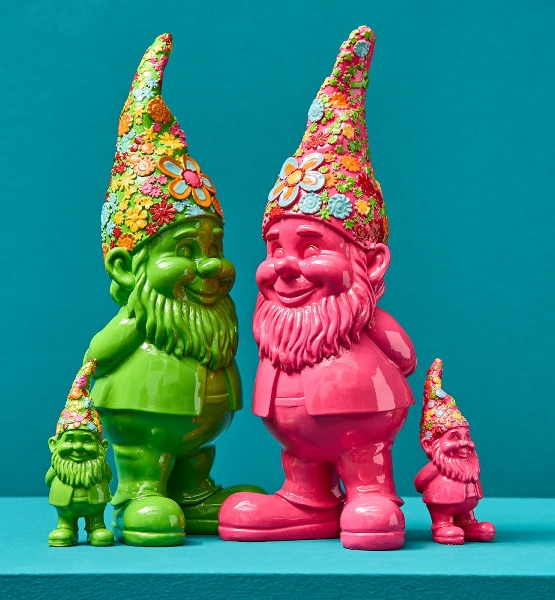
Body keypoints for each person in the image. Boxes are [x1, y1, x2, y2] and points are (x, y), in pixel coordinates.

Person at [219, 26, 416, 551]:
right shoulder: (279, 333)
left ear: (371, 262)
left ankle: (370, 491)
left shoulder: (362, 320)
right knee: (284, 474)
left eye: (310, 248)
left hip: (363, 427)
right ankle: (307, 500)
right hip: (295, 436)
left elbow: (403, 356)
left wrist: (377, 328)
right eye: (274, 249)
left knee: (364, 464)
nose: (284, 267)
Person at [84, 33, 261, 546]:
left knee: (196, 454)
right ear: (124, 268)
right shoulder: (138, 322)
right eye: (185, 249)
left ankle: (192, 489)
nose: (211, 264)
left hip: (201, 425)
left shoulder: (210, 326)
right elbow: (98, 353)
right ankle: (139, 491)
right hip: (141, 423)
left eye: (215, 246)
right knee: (144, 450)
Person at [414, 358, 495, 544]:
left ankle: (468, 523)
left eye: (467, 436)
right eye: (454, 438)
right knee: (444, 519)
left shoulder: (468, 467)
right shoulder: (438, 466)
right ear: (429, 445)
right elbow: (419, 483)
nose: (465, 443)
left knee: (472, 520)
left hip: (467, 503)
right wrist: (435, 467)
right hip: (442, 502)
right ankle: (442, 525)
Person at [46, 359, 114, 547]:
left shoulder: (100, 468)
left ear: (103, 447)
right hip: (64, 502)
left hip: (95, 502)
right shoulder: (57, 469)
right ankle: (66, 526)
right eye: (69, 440)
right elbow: (49, 479)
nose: (77, 447)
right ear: (53, 445)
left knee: (97, 523)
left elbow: (108, 476)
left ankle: (96, 526)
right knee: (64, 524)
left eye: (87, 441)